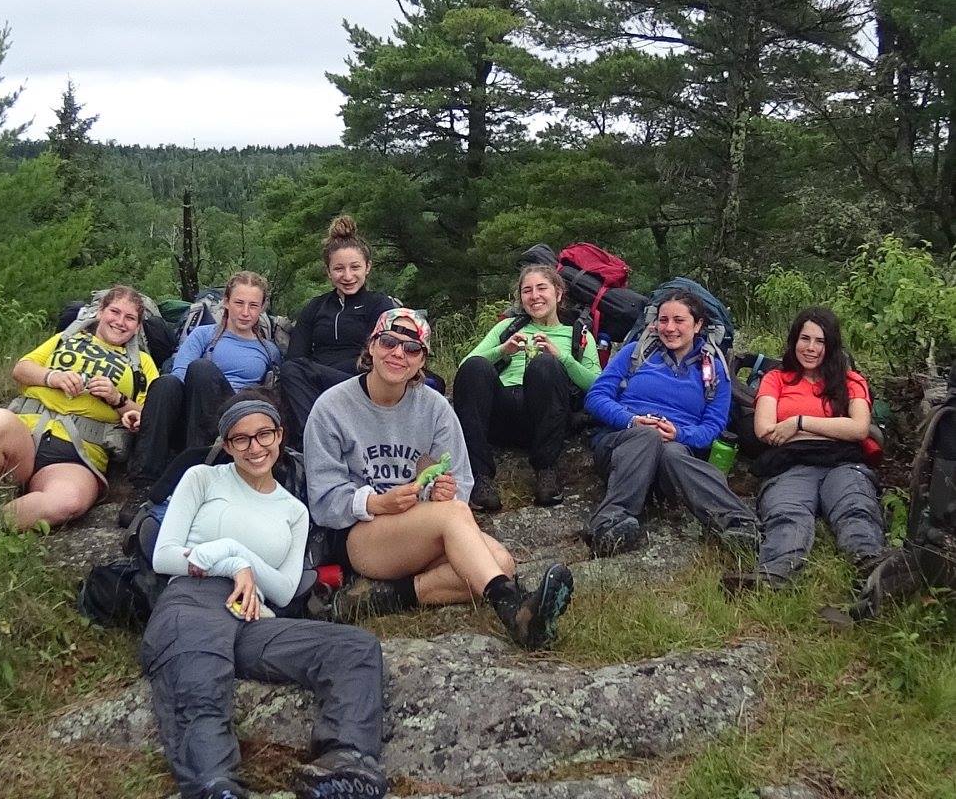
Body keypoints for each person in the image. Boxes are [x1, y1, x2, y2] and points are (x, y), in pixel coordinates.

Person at [143, 396, 388, 799]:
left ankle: (346, 761)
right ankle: (214, 783)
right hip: (194, 600)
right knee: (201, 679)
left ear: (280, 436)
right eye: (241, 439)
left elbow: (286, 588)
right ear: (226, 445)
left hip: (256, 616)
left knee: (356, 648)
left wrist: (238, 557)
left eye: (263, 435)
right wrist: (229, 564)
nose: (255, 448)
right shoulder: (202, 479)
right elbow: (164, 555)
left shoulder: (294, 510)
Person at [304, 307, 574, 650]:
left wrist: (443, 493)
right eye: (389, 342)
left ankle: (380, 599)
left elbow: (459, 481)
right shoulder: (331, 408)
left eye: (412, 349)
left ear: (422, 361)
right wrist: (375, 502)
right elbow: (324, 500)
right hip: (359, 536)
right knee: (464, 530)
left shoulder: (434, 408)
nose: (399, 354)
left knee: (501, 562)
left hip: (422, 530)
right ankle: (512, 609)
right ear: (371, 347)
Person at [0, 286, 158, 530]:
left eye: (130, 318)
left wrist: (116, 398)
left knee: (68, 501)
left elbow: (149, 417)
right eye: (114, 312)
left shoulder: (142, 364)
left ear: (138, 326)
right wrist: (52, 377)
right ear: (100, 312)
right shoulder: (66, 338)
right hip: (24, 436)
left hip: (77, 455)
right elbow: (21, 369)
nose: (120, 322)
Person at [584, 290, 760, 557]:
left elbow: (713, 426)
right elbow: (596, 397)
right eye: (663, 320)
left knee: (672, 452)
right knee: (648, 437)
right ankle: (608, 523)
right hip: (622, 444)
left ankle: (738, 524)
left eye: (679, 320)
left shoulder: (714, 369)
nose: (669, 328)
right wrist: (631, 421)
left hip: (674, 453)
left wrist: (680, 434)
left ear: (698, 325)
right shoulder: (636, 352)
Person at [738, 307, 885, 588]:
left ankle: (871, 568)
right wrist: (834, 429)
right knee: (786, 513)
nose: (811, 348)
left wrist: (797, 423)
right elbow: (765, 430)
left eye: (820, 341)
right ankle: (775, 573)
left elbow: (858, 429)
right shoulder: (776, 379)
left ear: (831, 346)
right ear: (794, 341)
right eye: (805, 339)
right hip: (790, 465)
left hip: (843, 464)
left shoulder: (851, 381)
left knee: (855, 507)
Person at [454, 264, 602, 511]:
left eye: (542, 288)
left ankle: (545, 471)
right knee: (476, 366)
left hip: (545, 419)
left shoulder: (578, 335)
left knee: (545, 364)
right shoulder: (507, 328)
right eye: (527, 290)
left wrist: (562, 359)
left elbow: (597, 385)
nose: (534, 296)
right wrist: (503, 351)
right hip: (500, 415)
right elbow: (464, 367)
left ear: (558, 293)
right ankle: (480, 478)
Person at [127, 272, 280, 502]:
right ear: (226, 302)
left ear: (261, 309)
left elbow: (269, 397)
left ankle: (198, 472)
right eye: (239, 303)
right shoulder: (202, 335)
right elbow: (179, 375)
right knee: (166, 382)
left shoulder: (269, 350)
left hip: (230, 423)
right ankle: (143, 485)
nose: (245, 312)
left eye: (253, 305)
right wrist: (153, 413)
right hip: (190, 413)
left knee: (202, 369)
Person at [279, 215, 395, 445]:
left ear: (368, 267)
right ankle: (314, 441)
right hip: (317, 381)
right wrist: (312, 372)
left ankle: (318, 440)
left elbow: (379, 354)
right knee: (290, 369)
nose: (348, 276)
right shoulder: (315, 307)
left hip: (359, 378)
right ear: (328, 272)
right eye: (339, 269)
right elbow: (295, 356)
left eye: (355, 267)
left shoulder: (379, 304)